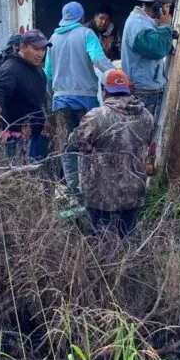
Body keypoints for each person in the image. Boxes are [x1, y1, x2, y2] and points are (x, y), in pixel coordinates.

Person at [67, 69, 154, 239]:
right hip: (133, 191)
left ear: (104, 91)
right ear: (128, 90)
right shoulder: (147, 116)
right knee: (126, 239)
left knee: (101, 240)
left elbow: (74, 143)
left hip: (101, 194)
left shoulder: (96, 116)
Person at [45, 2, 114, 202]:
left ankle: (73, 191)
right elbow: (99, 60)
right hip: (86, 100)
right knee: (91, 144)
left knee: (68, 146)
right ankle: (92, 188)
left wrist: (53, 96)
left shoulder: (53, 38)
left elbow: (48, 73)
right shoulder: (86, 34)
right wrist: (117, 77)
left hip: (60, 101)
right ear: (83, 18)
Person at [0, 30, 51, 161]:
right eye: (36, 49)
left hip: (37, 135)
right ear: (22, 46)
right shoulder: (10, 69)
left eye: (43, 49)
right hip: (16, 136)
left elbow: (41, 98)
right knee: (20, 175)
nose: (40, 54)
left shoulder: (38, 70)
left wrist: (46, 121)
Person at [121, 0, 176, 121]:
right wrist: (164, 27)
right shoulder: (138, 24)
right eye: (168, 7)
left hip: (148, 90)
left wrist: (167, 32)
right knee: (140, 135)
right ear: (158, 7)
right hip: (142, 92)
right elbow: (157, 50)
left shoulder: (146, 22)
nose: (169, 12)